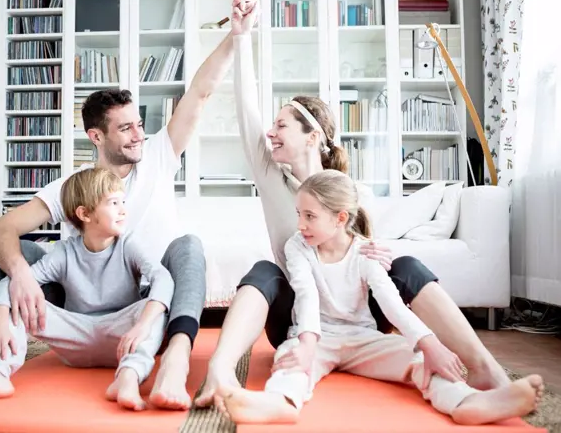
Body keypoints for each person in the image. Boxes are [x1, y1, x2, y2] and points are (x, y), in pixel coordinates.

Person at [195, 0, 511, 408]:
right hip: (298, 318)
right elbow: (245, 106)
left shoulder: (351, 192)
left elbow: (367, 257)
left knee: (407, 265)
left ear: (312, 137)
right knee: (264, 271)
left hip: (359, 319)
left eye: (281, 125)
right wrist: (242, 35)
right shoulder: (272, 176)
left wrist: (384, 254)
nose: (270, 133)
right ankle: (219, 369)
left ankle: (485, 367)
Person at [0, 25, 239, 410]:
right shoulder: (73, 186)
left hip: (145, 306)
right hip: (81, 311)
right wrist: (20, 275)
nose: (139, 135)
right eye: (125, 128)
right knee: (21, 252)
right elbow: (0, 230)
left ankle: (176, 358)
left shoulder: (158, 155)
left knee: (188, 247)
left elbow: (201, 92)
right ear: (96, 136)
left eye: (139, 124)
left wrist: (237, 33)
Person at [218, 170, 544, 425]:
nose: (300, 224)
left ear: (341, 218)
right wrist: (306, 346)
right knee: (290, 362)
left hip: (365, 339)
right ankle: (281, 404)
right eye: (299, 214)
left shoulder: (364, 250)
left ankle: (465, 402)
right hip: (318, 339)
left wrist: (429, 344)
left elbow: (390, 301)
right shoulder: (298, 246)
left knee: (418, 359)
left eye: (310, 216)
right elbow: (305, 295)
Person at [0, 168, 175, 411]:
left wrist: (143, 324)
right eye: (114, 203)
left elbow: (162, 278)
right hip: (75, 336)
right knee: (19, 296)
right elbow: (13, 284)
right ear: (85, 214)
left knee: (154, 310)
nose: (123, 209)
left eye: (122, 201)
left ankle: (129, 376)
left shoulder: (128, 244)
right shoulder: (64, 252)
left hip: (122, 338)